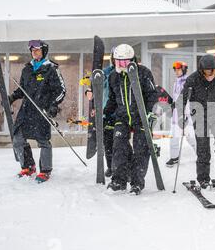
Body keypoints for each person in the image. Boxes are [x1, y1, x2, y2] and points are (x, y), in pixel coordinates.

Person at [104, 44, 159, 194]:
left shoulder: (143, 73)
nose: (121, 65)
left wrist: (148, 112)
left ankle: (137, 182)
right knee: (118, 148)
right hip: (122, 117)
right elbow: (113, 99)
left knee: (141, 149)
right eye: (118, 62)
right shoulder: (114, 77)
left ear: (131, 60)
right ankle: (119, 180)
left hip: (141, 117)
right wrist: (105, 113)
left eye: (124, 62)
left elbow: (152, 94)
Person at [9, 40, 66, 183]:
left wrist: (53, 105)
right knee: (18, 138)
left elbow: (61, 91)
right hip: (26, 110)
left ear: (44, 51)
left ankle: (45, 171)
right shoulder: (27, 69)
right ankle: (28, 166)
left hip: (42, 110)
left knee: (43, 141)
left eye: (38, 50)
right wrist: (11, 98)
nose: (35, 52)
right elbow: (22, 90)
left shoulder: (51, 68)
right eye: (33, 50)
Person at [178, 54, 215, 189]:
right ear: (201, 70)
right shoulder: (193, 79)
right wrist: (182, 115)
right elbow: (182, 98)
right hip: (199, 114)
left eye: (212, 71)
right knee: (203, 145)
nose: (209, 74)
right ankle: (203, 177)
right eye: (206, 72)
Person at [84, 48, 117, 178]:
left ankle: (120, 167)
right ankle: (110, 166)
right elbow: (95, 84)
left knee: (120, 143)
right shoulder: (106, 73)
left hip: (120, 112)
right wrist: (89, 89)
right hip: (106, 112)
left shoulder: (124, 73)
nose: (116, 60)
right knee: (108, 143)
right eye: (114, 57)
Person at [166, 61, 196, 167]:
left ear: (183, 70)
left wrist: (186, 114)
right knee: (174, 137)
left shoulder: (188, 82)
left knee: (190, 137)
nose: (176, 72)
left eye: (178, 70)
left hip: (185, 115)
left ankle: (202, 155)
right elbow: (177, 98)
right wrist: (173, 104)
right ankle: (174, 158)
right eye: (175, 70)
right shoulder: (176, 83)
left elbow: (188, 99)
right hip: (176, 115)